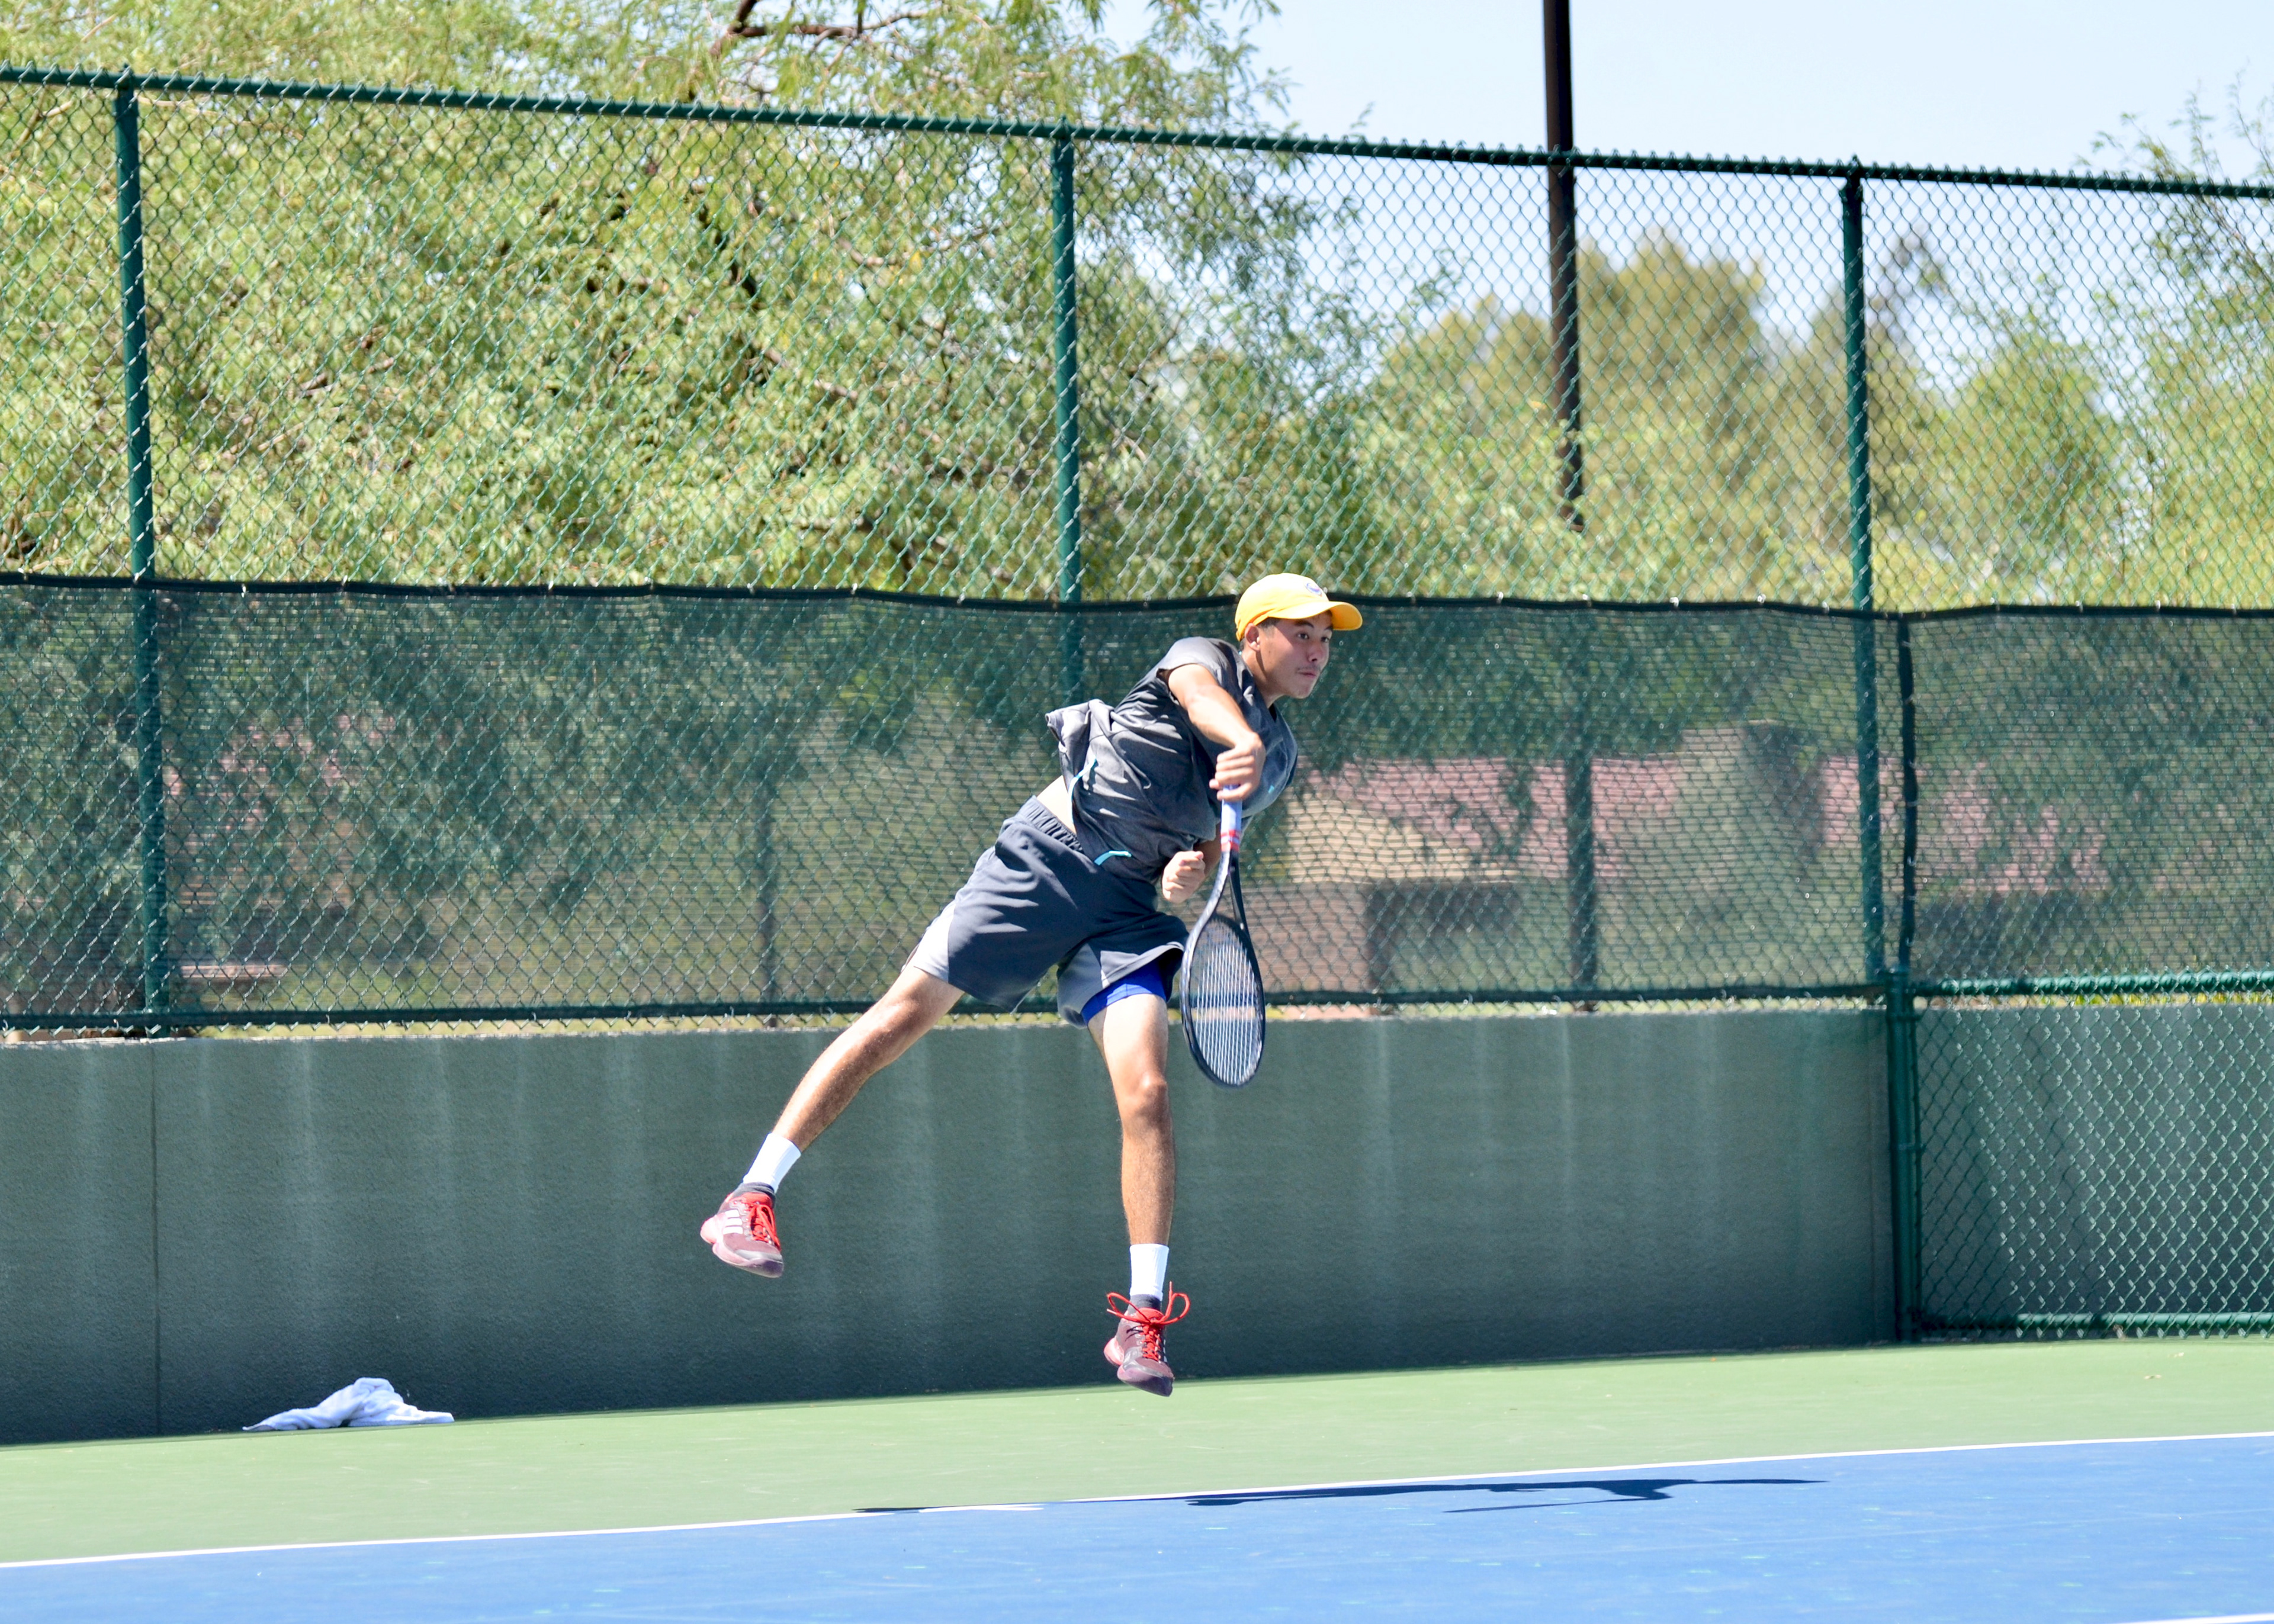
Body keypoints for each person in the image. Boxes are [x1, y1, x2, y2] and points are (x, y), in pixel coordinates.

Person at [699, 574, 1361, 1397]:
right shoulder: (1201, 663)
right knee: (901, 1018)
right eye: (1301, 633)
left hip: (1126, 912)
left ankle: (1141, 1321)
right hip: (1048, 858)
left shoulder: (1282, 756)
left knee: (1148, 1094)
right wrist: (1239, 738)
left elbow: (1205, 849)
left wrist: (1194, 871)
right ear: (1254, 634)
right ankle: (751, 1196)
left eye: (1326, 639)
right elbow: (1204, 708)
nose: (1317, 650)